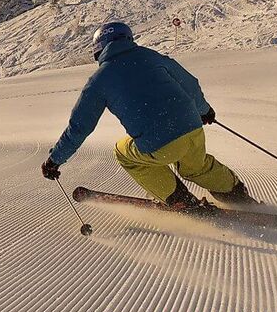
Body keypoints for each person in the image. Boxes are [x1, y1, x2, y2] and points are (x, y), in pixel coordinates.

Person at [40, 21, 256, 209]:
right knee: (196, 167)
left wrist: (55, 160)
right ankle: (236, 194)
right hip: (192, 129)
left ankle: (180, 200)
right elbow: (190, 84)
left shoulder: (99, 81)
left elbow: (80, 127)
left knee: (124, 153)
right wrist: (204, 111)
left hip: (160, 144)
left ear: (98, 50)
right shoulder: (151, 56)